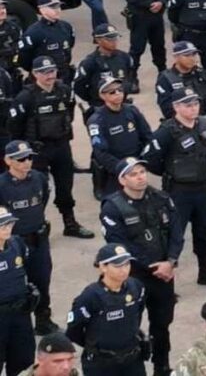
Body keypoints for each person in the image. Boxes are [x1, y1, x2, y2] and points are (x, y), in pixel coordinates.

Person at [98, 157, 181, 375]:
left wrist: (170, 261)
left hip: (164, 275)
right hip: (133, 277)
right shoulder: (113, 206)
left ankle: (161, 366)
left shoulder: (161, 198)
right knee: (128, 326)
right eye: (133, 174)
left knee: (162, 325)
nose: (140, 177)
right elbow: (119, 244)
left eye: (142, 171)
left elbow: (176, 232)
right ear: (122, 180)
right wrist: (153, 266)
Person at [10, 55, 92, 239]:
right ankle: (37, 224)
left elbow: (69, 113)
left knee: (65, 186)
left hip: (61, 146)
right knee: (39, 189)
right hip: (37, 150)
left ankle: (70, 223)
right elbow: (14, 126)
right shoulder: (26, 97)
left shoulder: (63, 90)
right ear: (34, 74)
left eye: (52, 71)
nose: (49, 75)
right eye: (44, 72)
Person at [144, 87, 206, 284]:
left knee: (204, 232)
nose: (193, 108)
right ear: (176, 107)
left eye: (195, 103)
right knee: (173, 234)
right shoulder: (167, 131)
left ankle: (205, 270)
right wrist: (170, 171)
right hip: (179, 191)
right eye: (188, 105)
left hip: (204, 188)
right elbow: (150, 159)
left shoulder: (205, 124)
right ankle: (168, 278)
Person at [0, 141, 56, 335]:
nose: (26, 162)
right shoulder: (2, 185)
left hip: (38, 240)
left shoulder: (38, 178)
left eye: (29, 157)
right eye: (20, 159)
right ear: (8, 160)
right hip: (14, 243)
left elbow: (43, 200)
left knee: (42, 280)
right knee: (13, 284)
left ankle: (43, 319)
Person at [66, 244, 147, 376]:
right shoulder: (91, 296)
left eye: (127, 264)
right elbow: (74, 330)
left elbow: (137, 314)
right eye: (118, 266)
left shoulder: (136, 287)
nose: (124, 270)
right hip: (102, 364)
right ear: (103, 267)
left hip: (132, 360)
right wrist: (95, 344)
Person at [0, 206, 35, 374]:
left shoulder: (16, 244)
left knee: (23, 362)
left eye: (9, 223)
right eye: (2, 225)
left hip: (20, 315)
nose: (7, 228)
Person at [154, 41, 206, 120]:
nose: (192, 58)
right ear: (176, 57)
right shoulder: (166, 78)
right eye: (187, 55)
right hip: (181, 123)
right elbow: (167, 108)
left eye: (194, 54)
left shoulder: (204, 73)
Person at [19, 0, 75, 86]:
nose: (57, 10)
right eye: (53, 7)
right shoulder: (33, 32)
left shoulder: (66, 27)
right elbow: (24, 58)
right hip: (43, 78)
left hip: (64, 76)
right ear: (42, 10)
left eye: (58, 6)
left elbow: (69, 45)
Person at [73, 25, 133, 107]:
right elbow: (79, 87)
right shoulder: (90, 62)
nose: (114, 42)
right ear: (98, 40)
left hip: (122, 104)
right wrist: (94, 98)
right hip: (100, 106)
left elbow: (129, 77)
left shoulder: (125, 57)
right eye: (109, 39)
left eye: (115, 38)